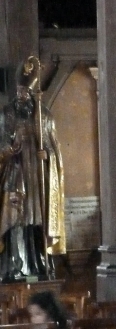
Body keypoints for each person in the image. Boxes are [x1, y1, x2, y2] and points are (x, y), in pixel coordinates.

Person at [0, 58, 65, 281]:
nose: (21, 96)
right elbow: (0, 145)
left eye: (25, 92)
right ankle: (14, 266)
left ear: (31, 93)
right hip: (16, 174)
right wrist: (9, 150)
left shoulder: (44, 116)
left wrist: (46, 156)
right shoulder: (6, 114)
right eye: (18, 91)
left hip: (37, 178)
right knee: (16, 220)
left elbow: (55, 149)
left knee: (36, 220)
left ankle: (38, 263)